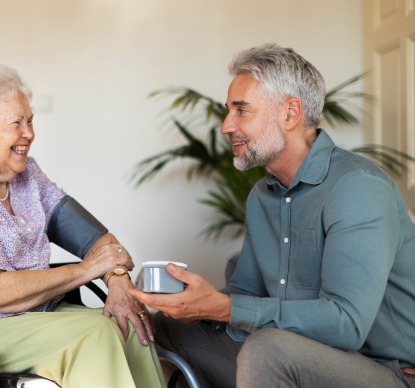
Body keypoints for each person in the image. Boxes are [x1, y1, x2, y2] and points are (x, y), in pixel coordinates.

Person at [129, 43, 415, 388]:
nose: (225, 126)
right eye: (228, 111)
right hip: (301, 353)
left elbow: (348, 324)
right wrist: (195, 303)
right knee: (164, 327)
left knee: (269, 349)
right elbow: (244, 290)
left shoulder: (357, 187)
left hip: (388, 371)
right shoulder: (262, 196)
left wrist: (224, 309)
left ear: (290, 114)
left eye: (241, 111)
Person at [0, 62, 166, 388]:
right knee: (97, 333)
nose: (29, 133)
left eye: (30, 121)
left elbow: (97, 240)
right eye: (16, 123)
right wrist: (87, 270)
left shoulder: (28, 175)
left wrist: (116, 280)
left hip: (33, 317)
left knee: (128, 322)